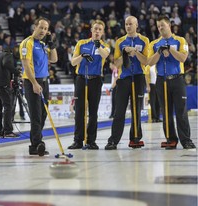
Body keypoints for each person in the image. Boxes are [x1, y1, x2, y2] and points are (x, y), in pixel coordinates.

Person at [148, 15, 196, 149]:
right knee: (166, 112)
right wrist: (158, 52)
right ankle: (171, 139)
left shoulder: (180, 40)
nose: (160, 28)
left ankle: (186, 140)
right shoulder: (154, 43)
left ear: (169, 25)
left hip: (177, 79)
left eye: (162, 25)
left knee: (181, 111)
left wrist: (170, 49)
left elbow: (183, 58)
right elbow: (149, 62)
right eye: (158, 26)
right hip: (161, 80)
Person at [105, 16, 149, 150]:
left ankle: (135, 138)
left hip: (139, 77)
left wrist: (135, 52)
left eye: (131, 24)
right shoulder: (120, 41)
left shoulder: (144, 40)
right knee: (119, 111)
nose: (128, 26)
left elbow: (146, 61)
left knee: (136, 110)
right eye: (126, 24)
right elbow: (116, 63)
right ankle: (113, 141)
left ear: (137, 25)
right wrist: (124, 53)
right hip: (124, 79)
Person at [67, 20, 110, 150]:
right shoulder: (81, 43)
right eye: (95, 29)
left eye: (100, 30)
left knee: (93, 111)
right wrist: (82, 56)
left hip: (95, 80)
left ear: (102, 32)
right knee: (79, 111)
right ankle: (78, 140)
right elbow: (73, 62)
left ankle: (91, 140)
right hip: (81, 79)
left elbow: (105, 55)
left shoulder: (104, 46)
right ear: (91, 30)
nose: (97, 31)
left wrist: (98, 46)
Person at [19, 17, 58, 156]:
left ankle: (36, 142)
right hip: (32, 82)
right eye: (41, 27)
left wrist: (51, 44)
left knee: (43, 114)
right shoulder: (26, 43)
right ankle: (36, 144)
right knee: (36, 115)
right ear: (35, 27)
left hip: (44, 81)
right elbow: (26, 65)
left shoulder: (42, 44)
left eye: (46, 29)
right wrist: (34, 83)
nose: (43, 30)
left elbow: (54, 59)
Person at [0, 48, 20, 138]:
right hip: (2, 84)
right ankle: (8, 131)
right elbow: (6, 64)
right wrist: (16, 72)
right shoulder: (8, 55)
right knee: (8, 106)